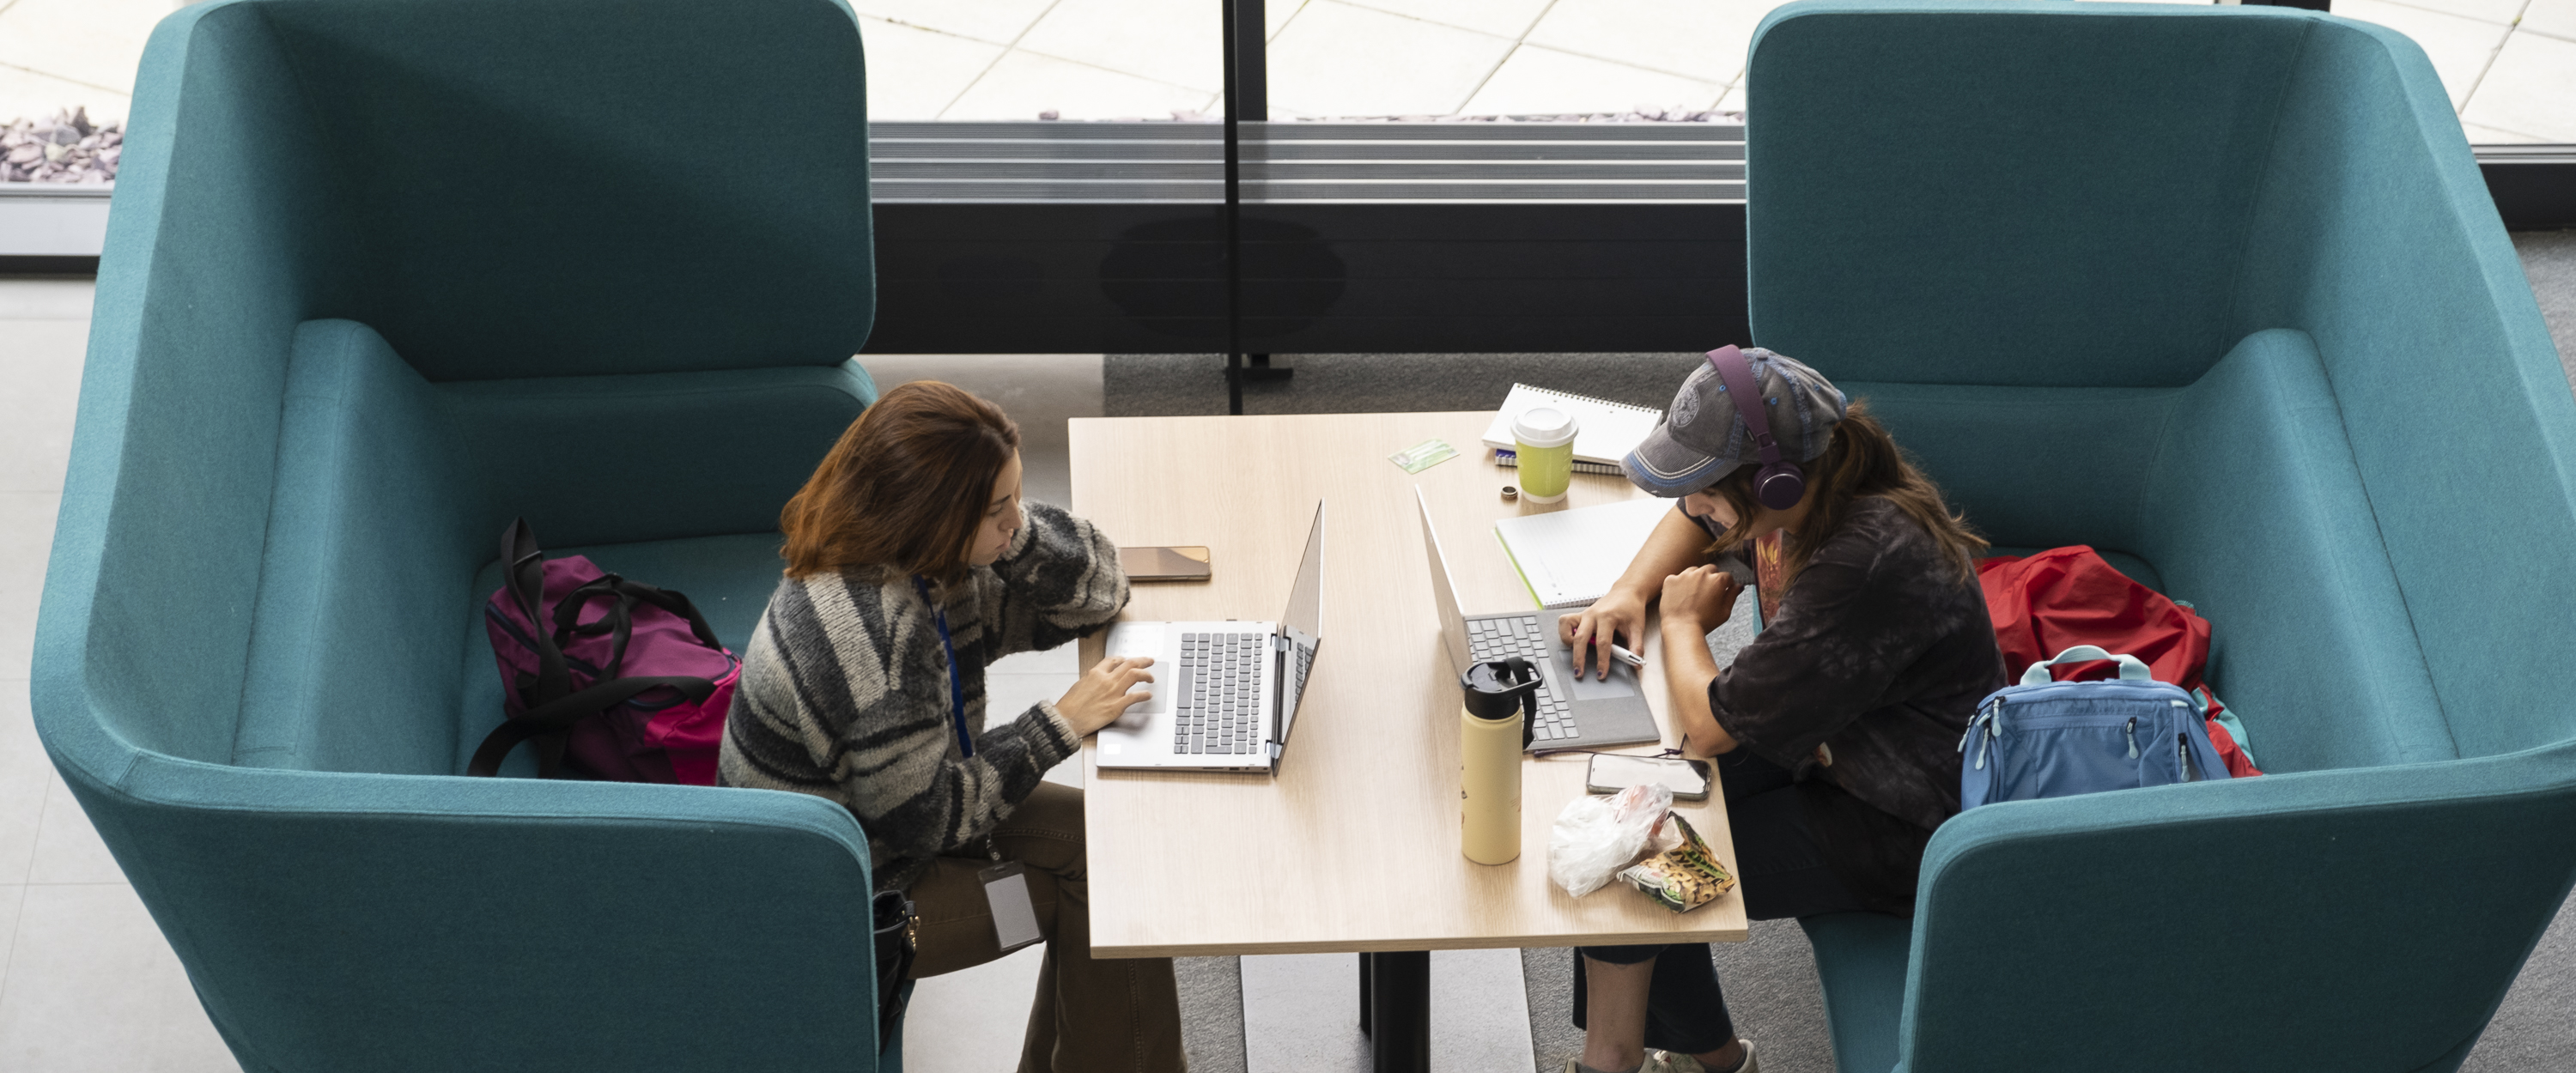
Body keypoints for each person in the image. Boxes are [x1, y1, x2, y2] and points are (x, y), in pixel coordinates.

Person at [1553, 349, 2006, 1073]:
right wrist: (1627, 593)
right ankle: (1721, 1065)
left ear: (1772, 479)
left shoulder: (1864, 561)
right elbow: (1697, 519)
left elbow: (1710, 723)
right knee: (1629, 806)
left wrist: (1679, 623)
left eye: (1705, 487)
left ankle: (1612, 1062)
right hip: (1834, 741)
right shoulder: (1826, 481)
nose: (1694, 504)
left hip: (1898, 822)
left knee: (1634, 865)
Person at [718, 381, 1182, 1073]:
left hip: (884, 830)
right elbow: (928, 822)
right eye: (999, 511)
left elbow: (1099, 593)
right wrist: (1059, 723)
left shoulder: (925, 567)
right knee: (1099, 901)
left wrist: (1007, 529)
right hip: (836, 903)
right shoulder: (871, 637)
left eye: (1015, 499)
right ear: (932, 514)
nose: (1014, 521)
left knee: (1110, 852)